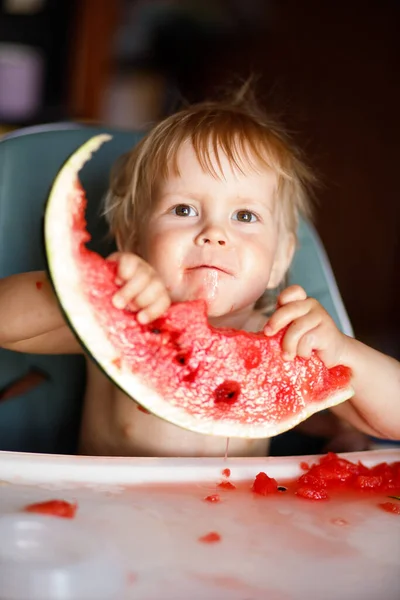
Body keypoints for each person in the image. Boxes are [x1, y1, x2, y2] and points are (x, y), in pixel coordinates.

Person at [0, 90, 399, 457]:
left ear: (280, 259)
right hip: (108, 519)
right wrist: (88, 287)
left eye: (245, 216)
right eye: (184, 210)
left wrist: (344, 354)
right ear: (132, 242)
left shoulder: (287, 344)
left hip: (239, 529)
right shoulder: (122, 319)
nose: (214, 234)